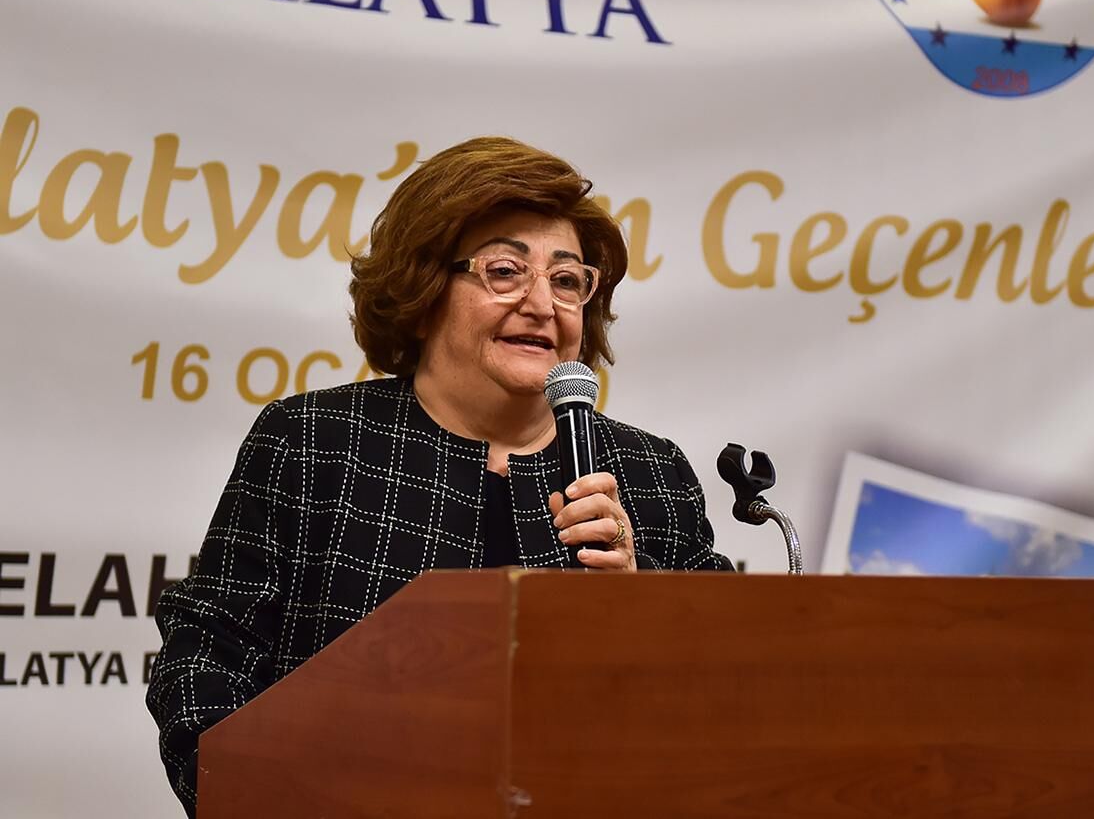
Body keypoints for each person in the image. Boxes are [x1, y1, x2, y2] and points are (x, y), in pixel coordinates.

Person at [146, 136, 733, 816]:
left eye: (567, 280)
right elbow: (204, 659)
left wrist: (641, 599)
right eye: (506, 271)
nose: (542, 303)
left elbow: (730, 686)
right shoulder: (313, 442)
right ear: (425, 289)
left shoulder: (651, 472)